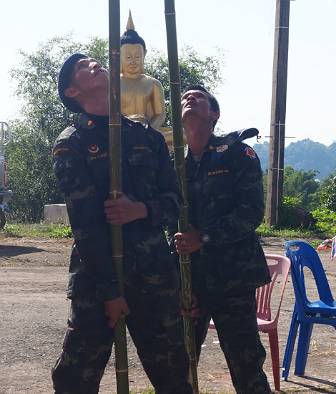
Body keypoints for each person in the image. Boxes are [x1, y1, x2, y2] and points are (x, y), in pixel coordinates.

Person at [51, 53, 192, 393]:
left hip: (153, 275)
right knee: (74, 380)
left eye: (91, 60)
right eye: (81, 67)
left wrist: (140, 210)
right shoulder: (71, 143)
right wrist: (110, 292)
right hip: (97, 280)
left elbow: (175, 201)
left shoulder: (148, 137)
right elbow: (85, 226)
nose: (93, 64)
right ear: (72, 92)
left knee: (174, 376)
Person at [173, 85, 272, 393]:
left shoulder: (237, 153)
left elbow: (252, 212)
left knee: (246, 365)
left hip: (233, 279)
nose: (190, 98)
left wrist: (203, 237)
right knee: (180, 364)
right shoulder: (175, 163)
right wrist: (177, 282)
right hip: (193, 280)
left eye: (199, 97)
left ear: (214, 115)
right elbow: (170, 223)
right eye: (185, 97)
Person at [120, 11, 166, 130]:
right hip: (119, 133)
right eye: (128, 57)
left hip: (147, 132)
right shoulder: (112, 83)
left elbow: (160, 115)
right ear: (118, 56)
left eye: (137, 56)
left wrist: (148, 130)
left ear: (144, 54)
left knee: (182, 135)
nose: (133, 61)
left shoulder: (153, 84)